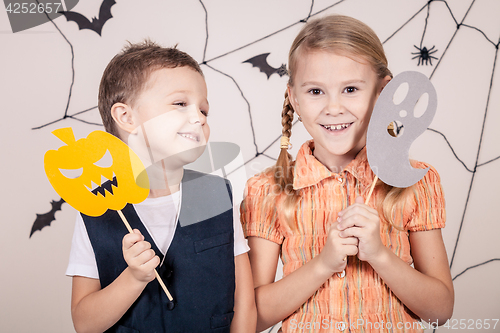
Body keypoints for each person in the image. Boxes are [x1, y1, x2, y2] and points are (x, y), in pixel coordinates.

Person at [241, 15, 454, 332]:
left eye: (351, 89)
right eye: (315, 92)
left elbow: (440, 312)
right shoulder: (268, 189)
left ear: (383, 92)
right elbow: (252, 318)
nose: (334, 107)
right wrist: (323, 264)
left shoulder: (416, 181)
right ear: (294, 99)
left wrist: (379, 255)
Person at [66, 40, 256, 333]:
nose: (198, 118)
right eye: (180, 104)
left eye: (204, 111)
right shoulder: (95, 209)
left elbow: (245, 301)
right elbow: (84, 322)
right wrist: (134, 277)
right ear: (126, 117)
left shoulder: (217, 195)